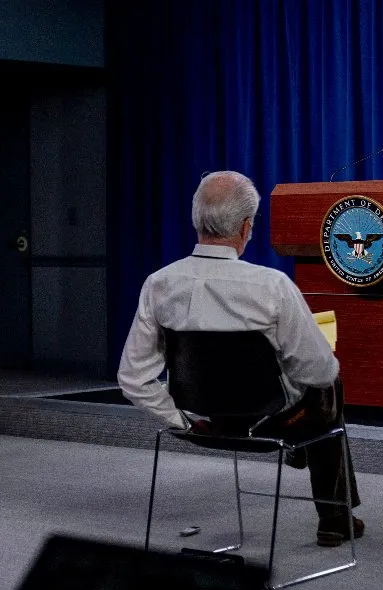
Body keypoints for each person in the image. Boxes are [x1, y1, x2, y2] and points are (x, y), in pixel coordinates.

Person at [118, 171, 363, 547]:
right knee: (330, 384)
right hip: (275, 423)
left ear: (196, 219)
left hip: (205, 422)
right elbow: (321, 369)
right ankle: (333, 516)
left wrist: (182, 420)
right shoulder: (272, 286)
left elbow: (133, 377)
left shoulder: (158, 284)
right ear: (247, 227)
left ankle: (321, 484)